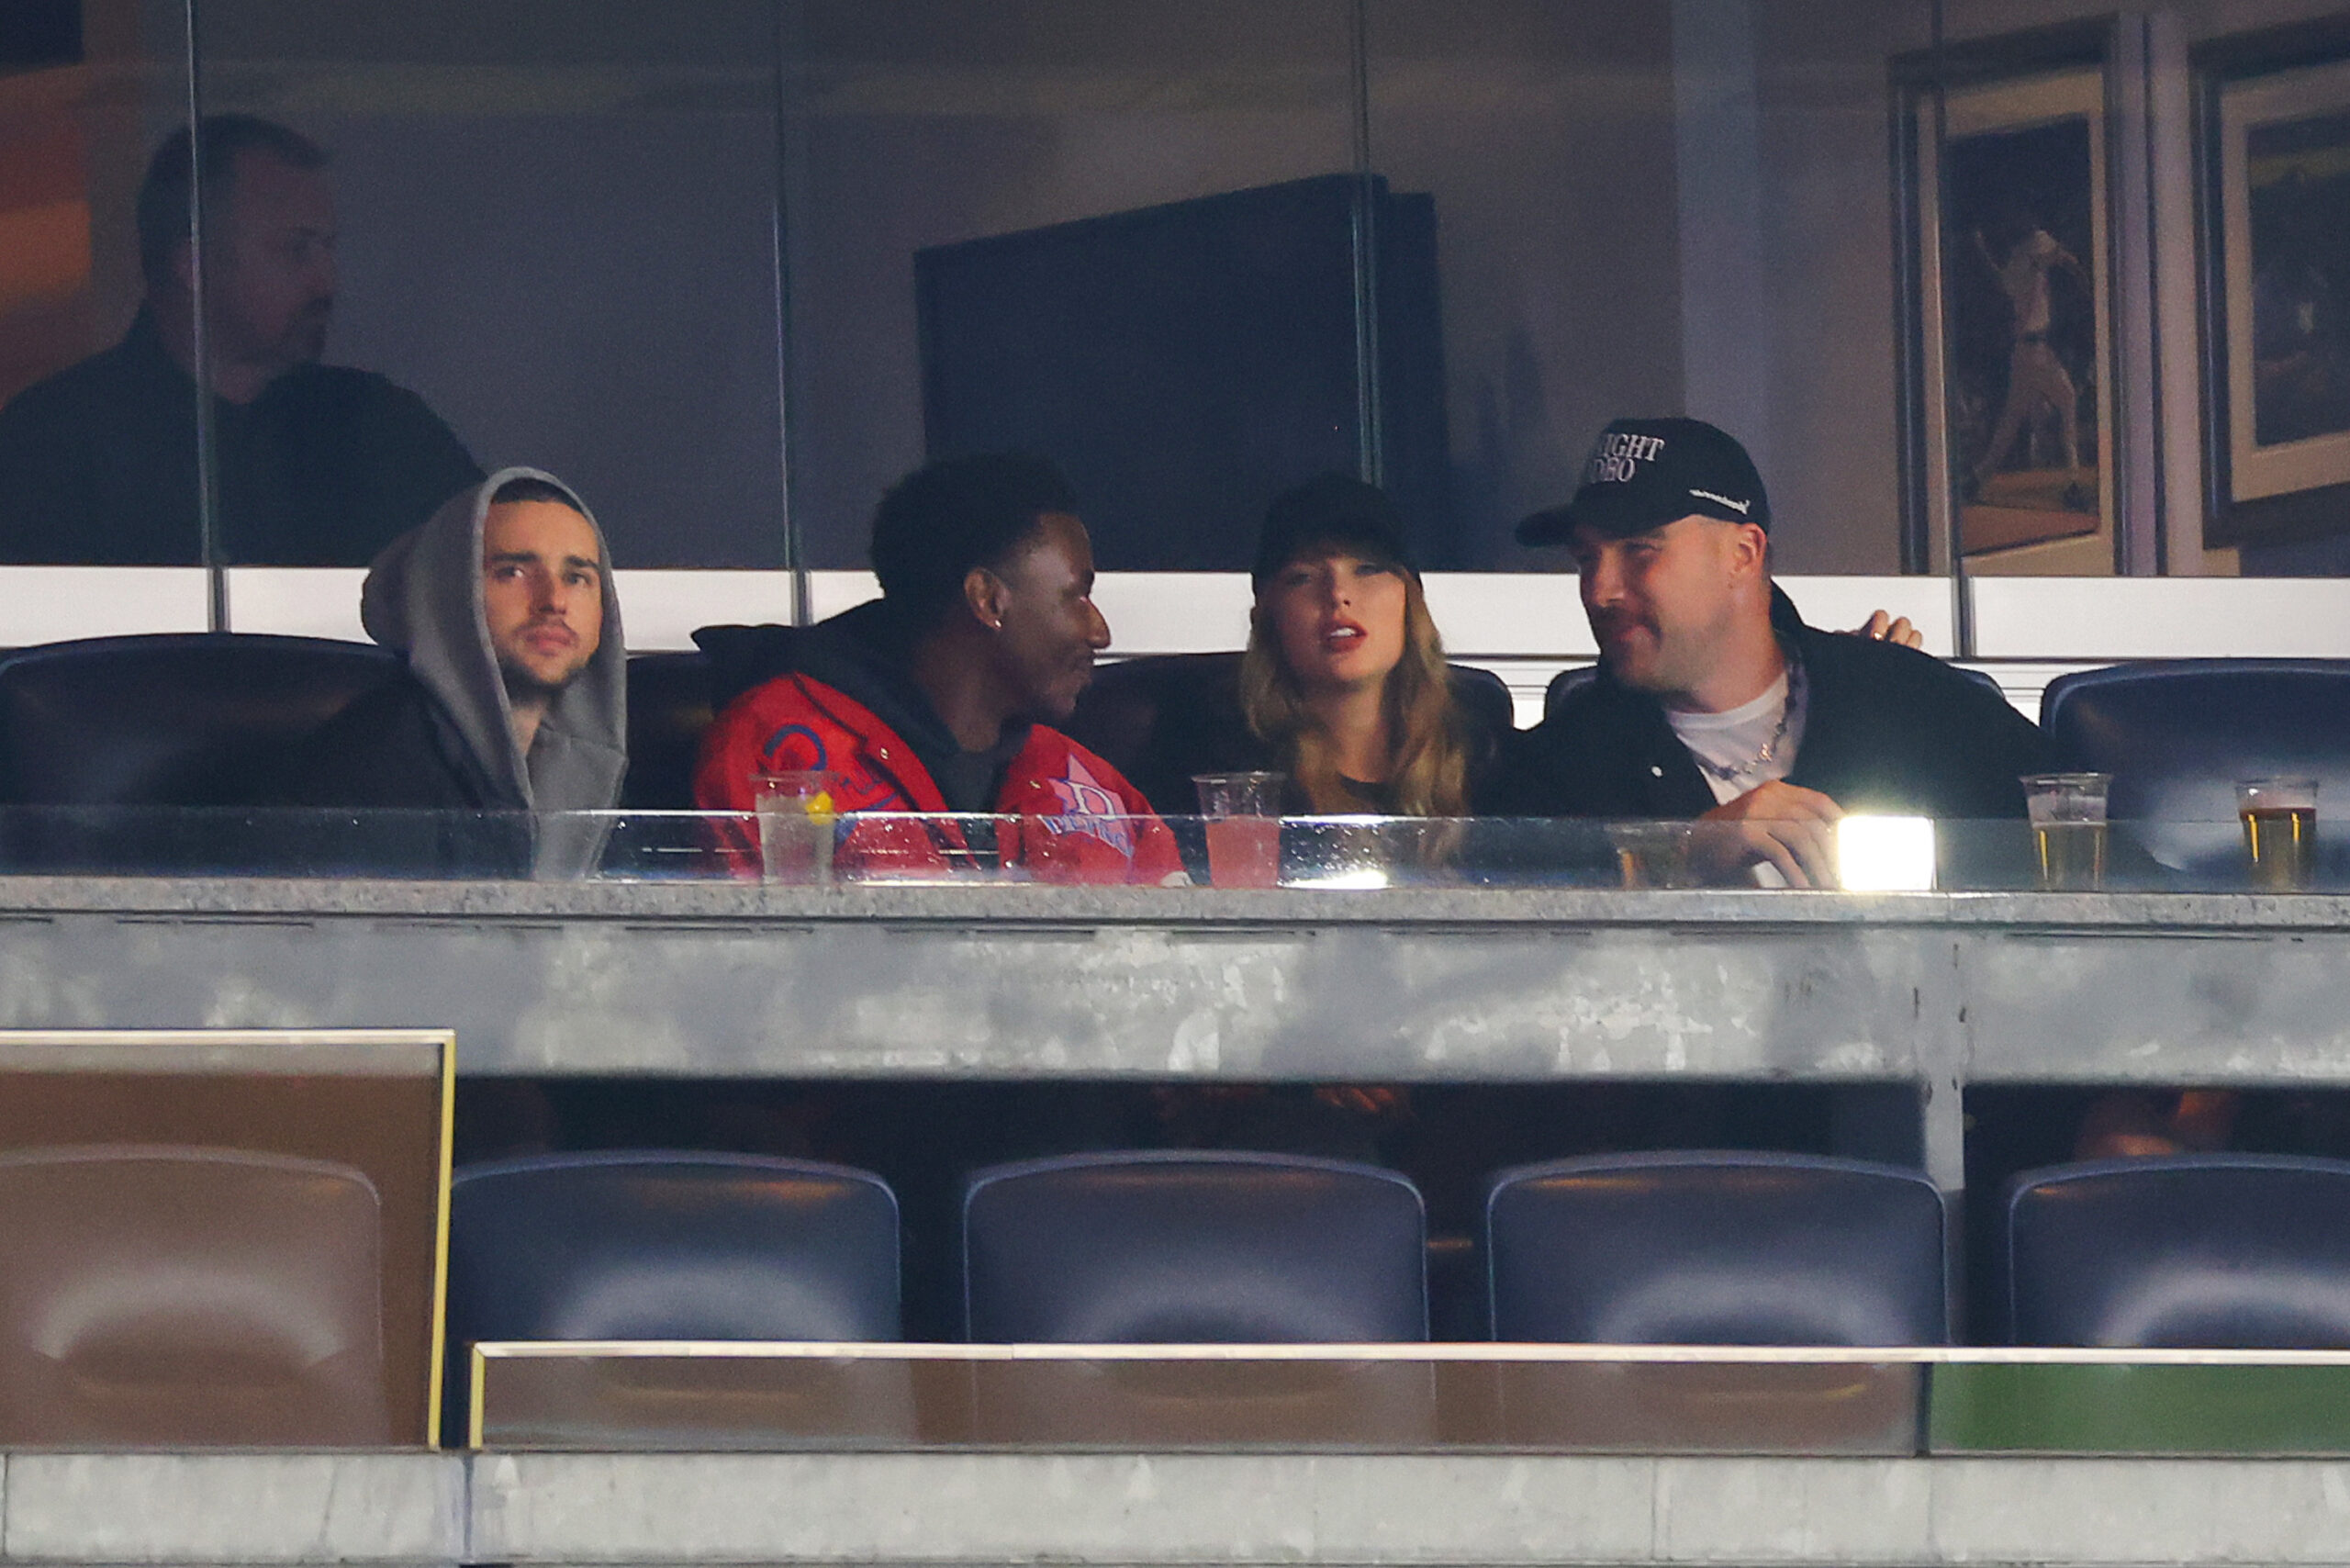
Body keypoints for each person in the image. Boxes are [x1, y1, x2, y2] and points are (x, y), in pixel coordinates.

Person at [1499, 416, 2051, 888]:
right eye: (1586, 559)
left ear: (1742, 553)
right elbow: (1511, 961)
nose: (1600, 590)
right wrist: (1686, 857)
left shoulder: (1907, 705)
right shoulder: (1556, 768)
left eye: (1639, 551)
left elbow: (2093, 859)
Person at [0, 115, 481, 566]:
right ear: (195, 266)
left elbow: (492, 578)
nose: (325, 281)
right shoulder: (52, 445)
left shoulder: (379, 431)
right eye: (296, 249)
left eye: (327, 249)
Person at [692, 453, 1184, 884]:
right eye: (1077, 595)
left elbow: (1181, 964)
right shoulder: (779, 748)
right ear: (988, 600)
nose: (1100, 632)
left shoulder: (1084, 779)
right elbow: (748, 966)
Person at [286, 467, 627, 878]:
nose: (553, 601)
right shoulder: (367, 777)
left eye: (576, 578)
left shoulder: (615, 771)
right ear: (446, 595)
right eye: (512, 572)